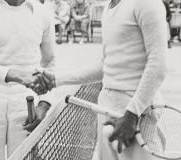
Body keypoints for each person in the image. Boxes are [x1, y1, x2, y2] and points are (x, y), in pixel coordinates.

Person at [31, 0, 167, 159]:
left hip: (136, 118)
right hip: (107, 112)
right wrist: (56, 80)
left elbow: (158, 66)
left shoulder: (146, 3)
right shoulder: (108, 8)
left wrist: (132, 114)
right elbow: (105, 65)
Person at [0, 0, 56, 159]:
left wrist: (44, 103)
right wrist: (20, 76)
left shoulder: (42, 13)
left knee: (25, 157)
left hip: (27, 102)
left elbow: (50, 62)